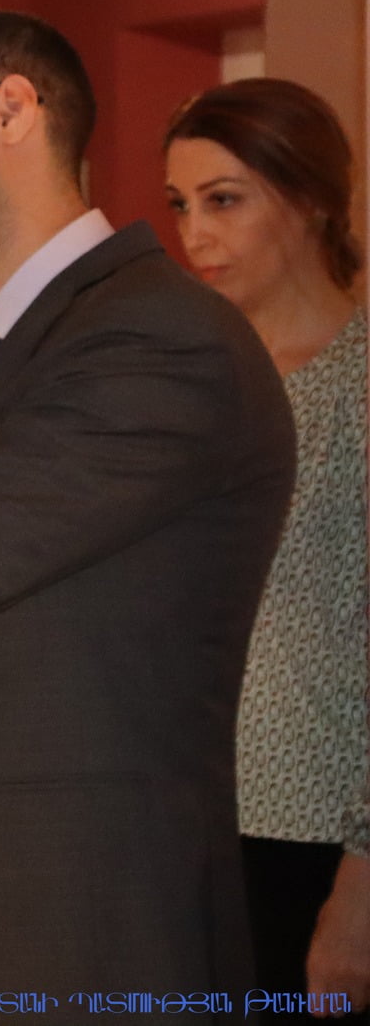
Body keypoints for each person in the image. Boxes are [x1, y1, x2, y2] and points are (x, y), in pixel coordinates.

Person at [0, 10, 294, 1017]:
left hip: (86, 954)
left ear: (10, 110)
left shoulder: (158, 339)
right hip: (0, 943)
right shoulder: (30, 344)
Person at [165, 79, 369, 1016]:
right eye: (180, 205)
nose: (195, 233)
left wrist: (361, 885)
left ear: (312, 198)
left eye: (224, 200)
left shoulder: (357, 386)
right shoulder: (199, 383)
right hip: (189, 817)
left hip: (318, 838)